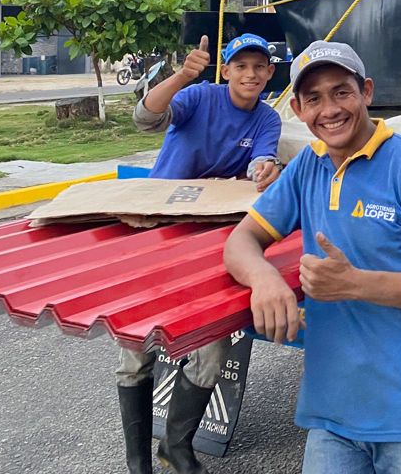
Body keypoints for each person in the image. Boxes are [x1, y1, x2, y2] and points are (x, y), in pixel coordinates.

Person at [224, 40, 401, 474]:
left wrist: (357, 283)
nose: (330, 109)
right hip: (334, 412)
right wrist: (264, 280)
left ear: (366, 91)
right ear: (300, 111)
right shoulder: (309, 165)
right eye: (313, 99)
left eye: (341, 92)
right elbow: (242, 240)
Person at [118, 33, 282, 474]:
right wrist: (181, 75)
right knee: (137, 344)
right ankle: (138, 461)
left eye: (259, 66)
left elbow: (259, 162)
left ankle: (176, 446)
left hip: (211, 239)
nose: (250, 74)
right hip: (157, 230)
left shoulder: (267, 119)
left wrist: (265, 169)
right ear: (224, 70)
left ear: (269, 73)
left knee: (211, 348)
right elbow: (145, 118)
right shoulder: (197, 96)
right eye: (240, 66)